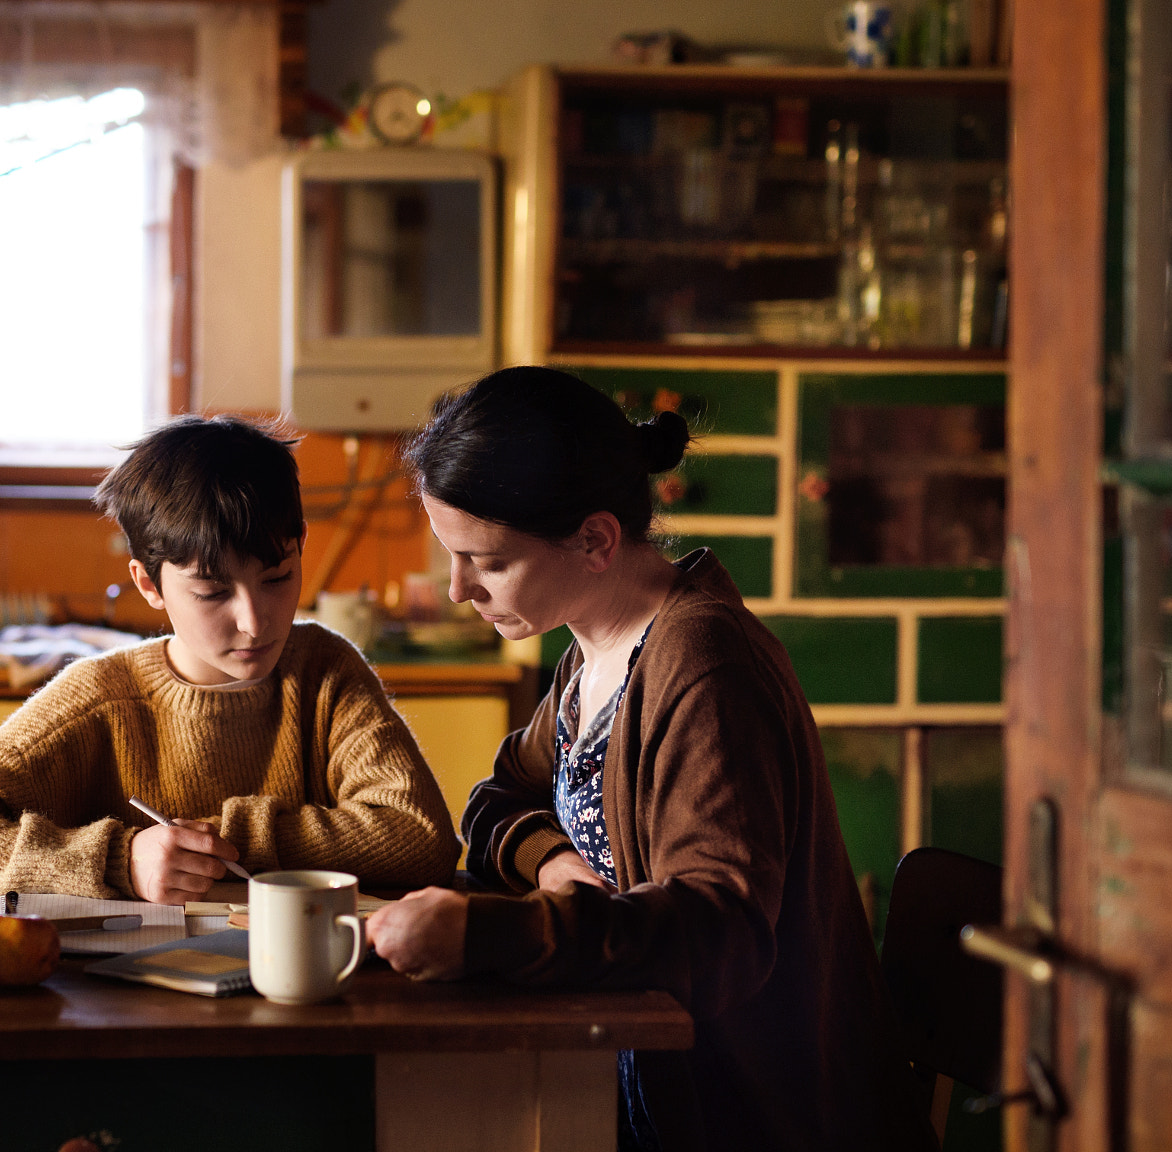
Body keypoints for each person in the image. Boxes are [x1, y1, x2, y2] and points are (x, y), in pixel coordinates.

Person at [365, 367, 936, 1151]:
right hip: (637, 1085)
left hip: (746, 1115)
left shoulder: (702, 666)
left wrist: (489, 936)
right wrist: (556, 866)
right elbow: (497, 800)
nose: (460, 588)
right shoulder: (592, 654)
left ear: (595, 540)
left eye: (489, 562)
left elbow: (724, 931)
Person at [0, 415, 460, 904]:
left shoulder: (324, 672)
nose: (255, 622)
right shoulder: (100, 699)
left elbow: (421, 838)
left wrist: (221, 841)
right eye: (212, 593)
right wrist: (119, 861)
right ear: (148, 583)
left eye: (278, 577)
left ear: (301, 543)